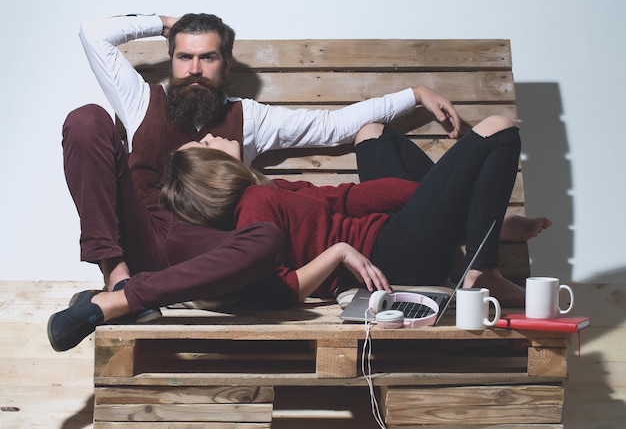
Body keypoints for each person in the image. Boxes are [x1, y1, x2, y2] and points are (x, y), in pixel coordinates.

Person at [47, 13, 463, 352]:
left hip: (205, 252)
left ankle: (124, 299)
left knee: (266, 241)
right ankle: (117, 284)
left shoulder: (249, 120)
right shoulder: (141, 100)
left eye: (207, 57)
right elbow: (93, 33)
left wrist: (414, 93)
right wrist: (163, 22)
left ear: (226, 65)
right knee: (86, 119)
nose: (194, 69)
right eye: (184, 57)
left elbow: (334, 125)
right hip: (142, 233)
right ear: (171, 59)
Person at [160, 118, 552, 308]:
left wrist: (444, 206)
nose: (209, 136)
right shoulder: (255, 207)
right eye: (202, 144)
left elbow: (345, 199)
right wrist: (339, 252)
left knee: (373, 134)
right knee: (499, 130)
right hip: (394, 256)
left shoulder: (267, 188)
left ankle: (480, 228)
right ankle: (483, 272)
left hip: (391, 234)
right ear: (212, 171)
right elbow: (281, 286)